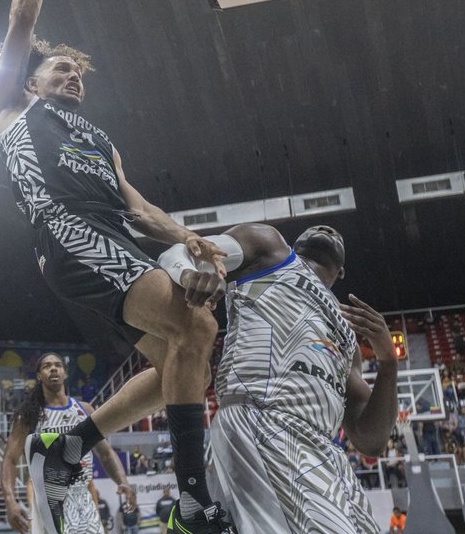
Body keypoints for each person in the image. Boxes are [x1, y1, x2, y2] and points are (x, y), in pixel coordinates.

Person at [0, 0, 231, 534]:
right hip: (66, 229)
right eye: (60, 69)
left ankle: (69, 447)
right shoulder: (12, 108)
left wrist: (190, 238)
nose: (72, 76)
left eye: (78, 73)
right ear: (34, 82)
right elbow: (21, 19)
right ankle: (195, 501)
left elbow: (140, 209)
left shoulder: (101, 139)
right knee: (195, 325)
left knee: (183, 360)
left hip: (113, 236)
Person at [157, 223, 399, 534]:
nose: (328, 228)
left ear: (341, 273)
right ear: (297, 244)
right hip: (262, 416)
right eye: (318, 226)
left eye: (337, 232)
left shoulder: (349, 342)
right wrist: (190, 274)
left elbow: (371, 440)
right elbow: (177, 252)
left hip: (323, 450)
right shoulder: (269, 248)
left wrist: (388, 363)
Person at [1, 353, 135, 533]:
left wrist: (122, 481)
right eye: (47, 366)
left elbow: (105, 452)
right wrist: (10, 501)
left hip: (84, 501)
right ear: (39, 376)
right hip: (49, 503)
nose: (53, 368)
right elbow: (9, 459)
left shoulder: (84, 409)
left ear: (65, 373)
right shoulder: (29, 415)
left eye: (58, 365)